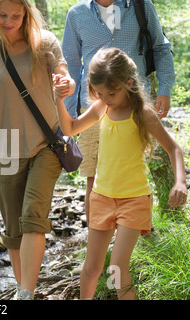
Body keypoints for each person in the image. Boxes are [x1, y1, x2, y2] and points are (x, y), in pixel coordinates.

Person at [53, 48, 187, 300]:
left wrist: (180, 182)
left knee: (117, 268)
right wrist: (58, 99)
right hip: (101, 197)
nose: (106, 97)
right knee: (91, 268)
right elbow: (69, 129)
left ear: (128, 82)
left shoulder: (142, 114)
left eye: (111, 93)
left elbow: (173, 148)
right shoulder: (101, 107)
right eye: (100, 93)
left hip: (134, 200)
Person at [0, 0, 74, 299]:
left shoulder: (46, 43)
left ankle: (25, 293)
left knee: (32, 218)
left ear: (26, 13)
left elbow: (65, 77)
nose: (8, 21)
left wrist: (66, 84)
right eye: (2, 16)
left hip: (46, 143)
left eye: (15, 15)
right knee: (13, 231)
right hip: (8, 147)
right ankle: (22, 290)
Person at [61, 0, 176, 222]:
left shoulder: (141, 6)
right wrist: (70, 111)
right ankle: (99, 242)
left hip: (135, 103)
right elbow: (72, 64)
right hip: (94, 105)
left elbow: (160, 47)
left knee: (135, 168)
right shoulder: (77, 14)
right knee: (94, 178)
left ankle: (140, 229)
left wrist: (165, 88)